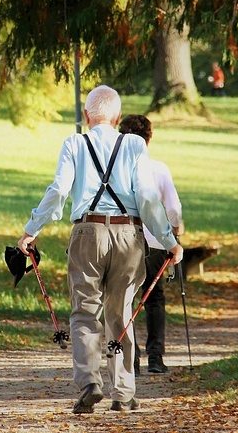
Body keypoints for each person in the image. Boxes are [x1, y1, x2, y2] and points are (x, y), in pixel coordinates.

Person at [17, 85, 184, 414]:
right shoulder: (135, 145)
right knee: (121, 313)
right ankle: (123, 392)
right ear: (118, 117)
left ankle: (90, 383)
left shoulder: (74, 143)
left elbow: (58, 191)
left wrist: (30, 230)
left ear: (86, 117)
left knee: (84, 311)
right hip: (128, 235)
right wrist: (170, 241)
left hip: (87, 233)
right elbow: (149, 201)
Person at [117, 114, 183, 376]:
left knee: (126, 298)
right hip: (156, 242)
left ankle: (130, 359)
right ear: (149, 139)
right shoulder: (159, 169)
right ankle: (155, 357)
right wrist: (176, 229)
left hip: (125, 240)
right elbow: (174, 207)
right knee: (154, 298)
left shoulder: (117, 170)